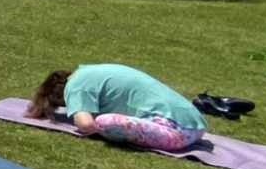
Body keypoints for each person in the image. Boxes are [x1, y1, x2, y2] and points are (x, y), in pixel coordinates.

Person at [29, 63, 206, 152]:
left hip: (179, 132)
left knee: (105, 121)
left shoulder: (75, 86)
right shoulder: (91, 71)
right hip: (194, 124)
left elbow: (86, 125)